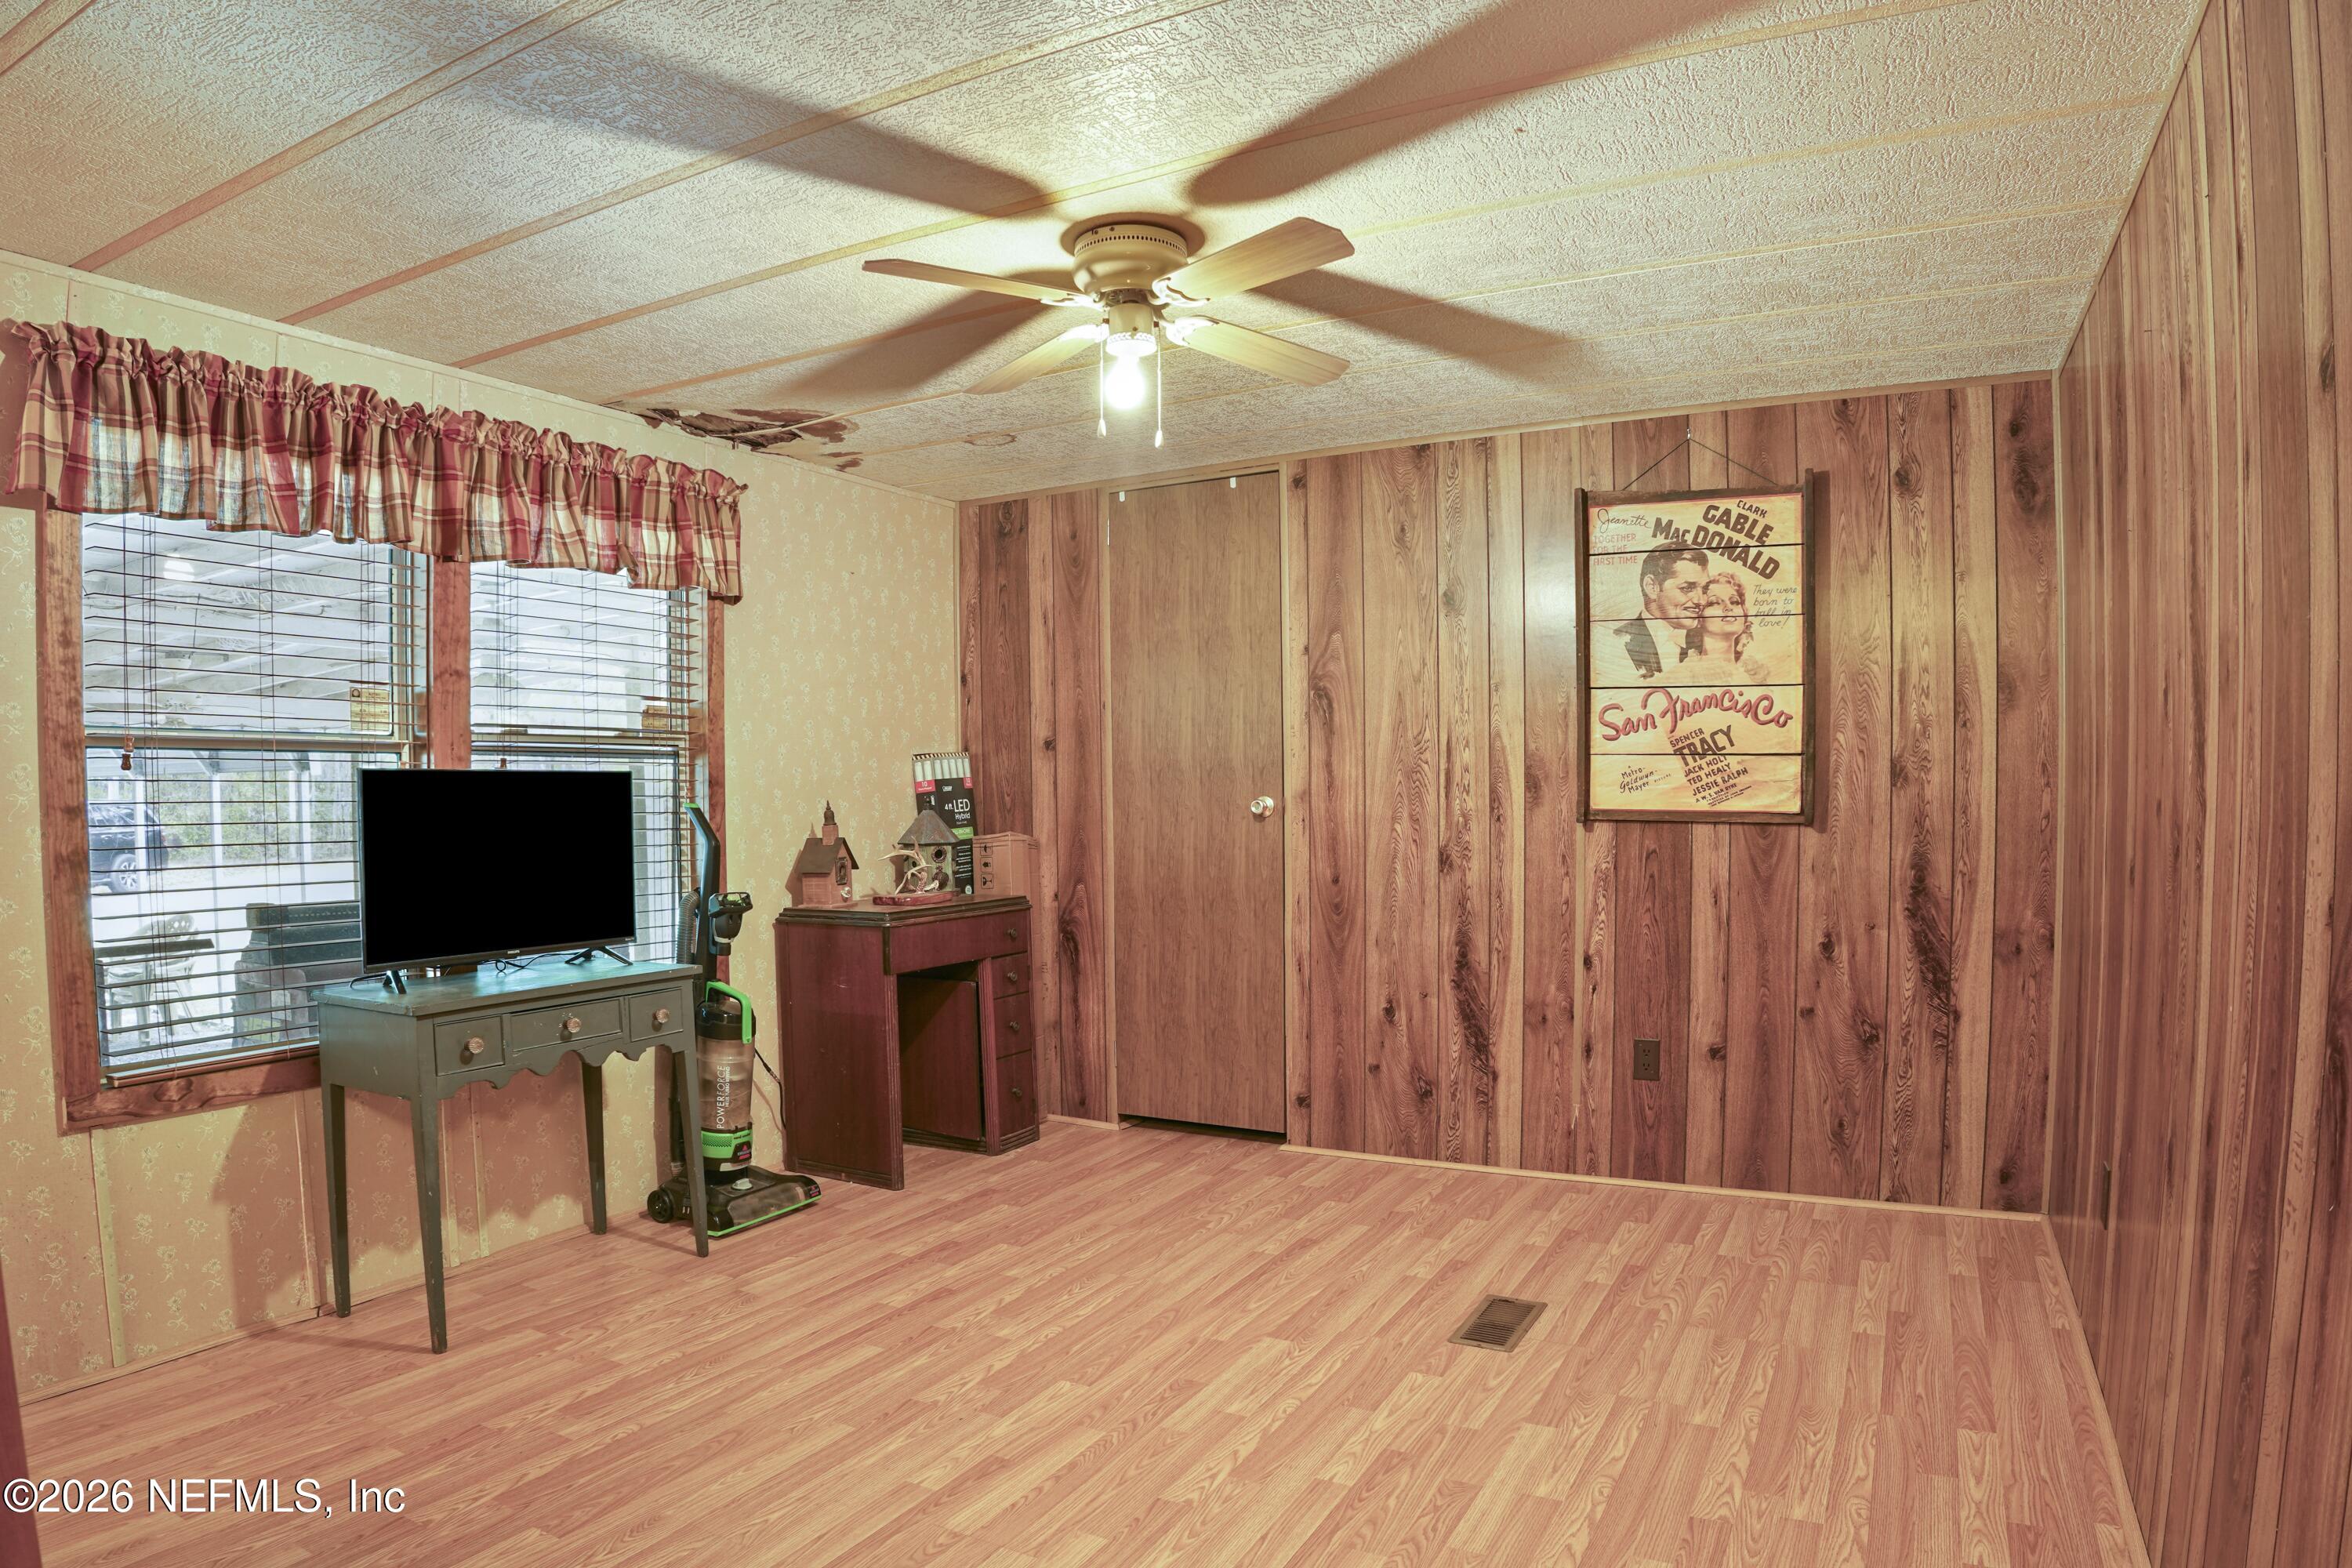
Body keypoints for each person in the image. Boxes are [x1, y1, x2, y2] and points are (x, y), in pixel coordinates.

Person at [1599, 544, 1708, 683]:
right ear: (1652, 587)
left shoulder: (1708, 641)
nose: (1701, 600)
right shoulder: (1616, 643)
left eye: (1705, 589)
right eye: (1687, 588)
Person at [1679, 571, 1771, 683]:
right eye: (1714, 603)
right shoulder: (1684, 676)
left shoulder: (1753, 678)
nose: (1728, 607)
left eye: (1735, 602)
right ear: (1698, 618)